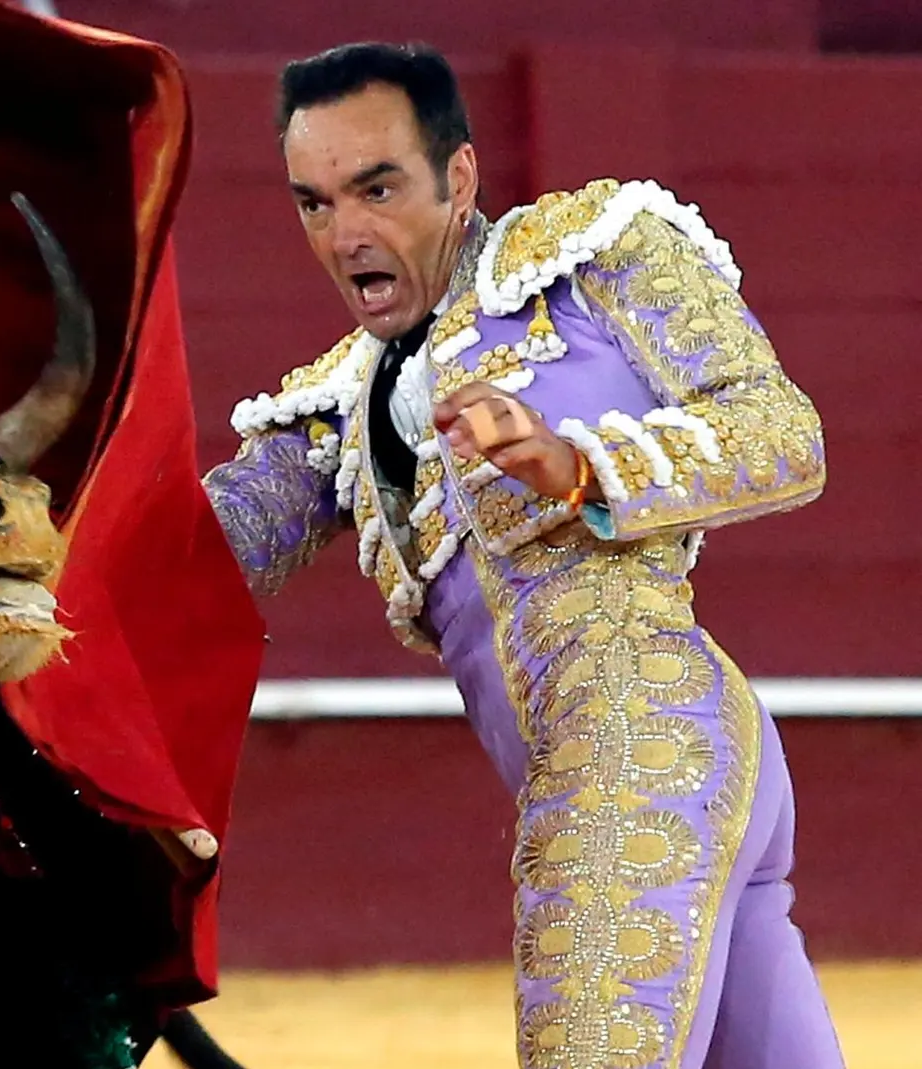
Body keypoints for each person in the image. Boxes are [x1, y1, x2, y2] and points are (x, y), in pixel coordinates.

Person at [203, 41, 845, 1069]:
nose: (345, 233)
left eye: (377, 188)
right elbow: (202, 553)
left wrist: (579, 465)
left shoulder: (590, 256)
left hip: (639, 742)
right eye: (314, 203)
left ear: (457, 176)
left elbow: (781, 433)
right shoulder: (338, 402)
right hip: (614, 766)